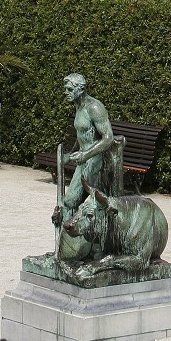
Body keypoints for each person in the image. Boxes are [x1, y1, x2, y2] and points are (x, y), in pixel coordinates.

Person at [50, 73, 119, 227]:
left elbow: (108, 138)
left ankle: (69, 246)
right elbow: (82, 134)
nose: (65, 92)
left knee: (70, 201)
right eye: (65, 89)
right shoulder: (79, 106)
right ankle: (69, 244)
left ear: (80, 90)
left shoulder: (94, 107)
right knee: (73, 202)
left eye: (69, 89)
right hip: (85, 160)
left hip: (96, 160)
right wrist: (70, 154)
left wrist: (85, 154)